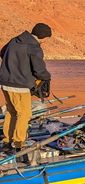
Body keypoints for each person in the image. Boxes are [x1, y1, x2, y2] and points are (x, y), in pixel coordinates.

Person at [0, 23, 52, 152]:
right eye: (47, 38)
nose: (46, 41)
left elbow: (2, 52)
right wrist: (47, 77)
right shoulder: (34, 47)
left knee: (12, 112)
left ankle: (7, 140)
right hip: (20, 86)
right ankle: (18, 143)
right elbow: (39, 70)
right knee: (24, 114)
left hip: (5, 82)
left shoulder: (15, 40)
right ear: (43, 36)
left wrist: (14, 66)